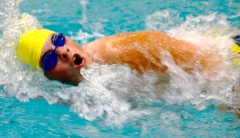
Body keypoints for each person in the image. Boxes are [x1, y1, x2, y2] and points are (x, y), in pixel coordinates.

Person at [16, 28, 222, 85]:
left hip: (228, 53)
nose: (62, 51)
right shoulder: (57, 90)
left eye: (58, 39)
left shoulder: (115, 51)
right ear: (45, 76)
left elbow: (206, 59)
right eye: (49, 59)